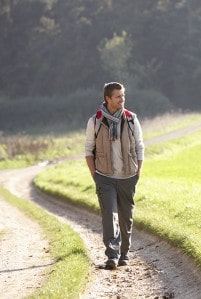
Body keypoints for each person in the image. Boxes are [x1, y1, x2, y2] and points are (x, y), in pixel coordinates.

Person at [85, 82, 145, 270]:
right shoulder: (95, 121)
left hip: (128, 177)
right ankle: (112, 255)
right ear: (108, 99)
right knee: (109, 216)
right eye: (118, 96)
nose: (122, 99)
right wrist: (95, 174)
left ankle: (124, 254)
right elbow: (88, 150)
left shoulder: (131, 119)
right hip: (105, 177)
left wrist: (138, 171)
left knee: (125, 217)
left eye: (123, 95)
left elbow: (139, 146)